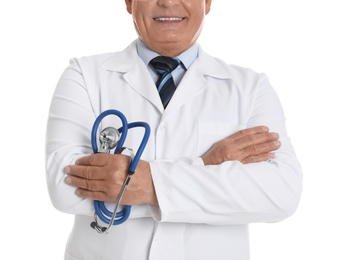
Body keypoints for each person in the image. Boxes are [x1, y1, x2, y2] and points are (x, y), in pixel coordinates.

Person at [45, 0, 302, 259]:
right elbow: (63, 187)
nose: (167, 2)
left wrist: (148, 184)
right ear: (129, 3)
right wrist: (206, 165)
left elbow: (280, 193)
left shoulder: (251, 89)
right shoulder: (84, 76)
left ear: (208, 3)